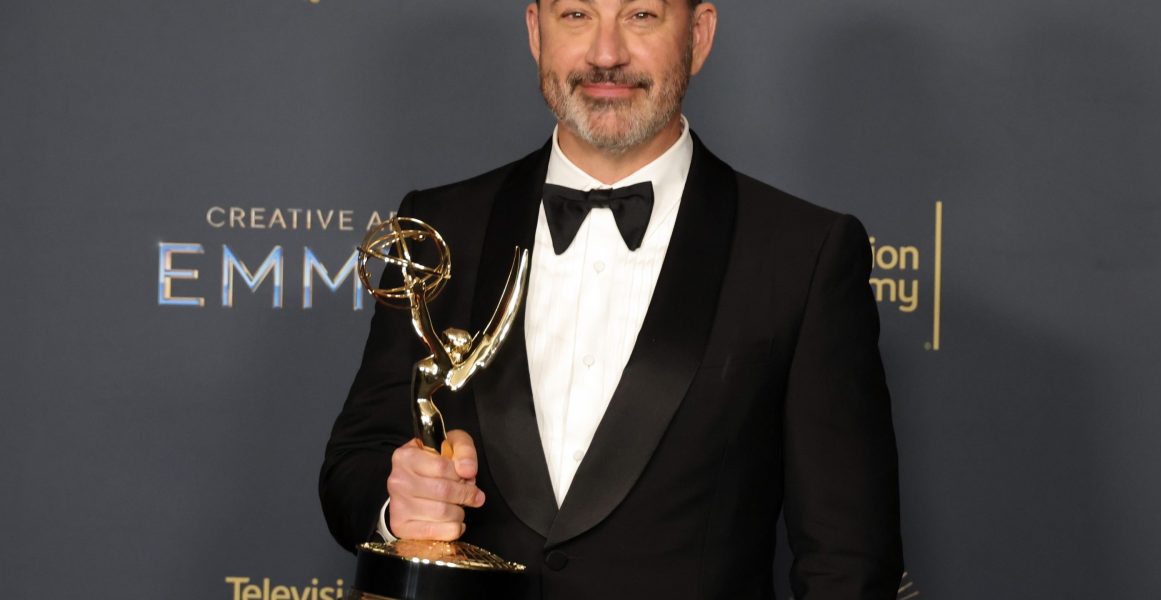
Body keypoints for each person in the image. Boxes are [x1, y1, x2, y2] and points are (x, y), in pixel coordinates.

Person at [320, 1, 903, 598]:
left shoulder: (803, 254)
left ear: (699, 35)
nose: (606, 54)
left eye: (641, 15)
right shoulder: (440, 228)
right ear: (535, 31)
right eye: (576, 15)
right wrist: (397, 505)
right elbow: (353, 465)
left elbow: (847, 562)